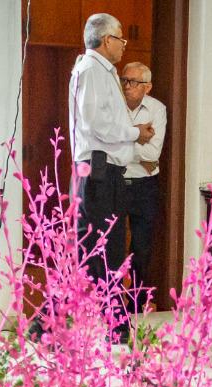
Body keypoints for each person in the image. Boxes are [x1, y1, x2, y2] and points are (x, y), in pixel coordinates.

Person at [69, 13, 154, 282]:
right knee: (97, 252)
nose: (124, 44)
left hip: (107, 172)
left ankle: (114, 323)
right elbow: (96, 124)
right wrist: (134, 133)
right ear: (107, 40)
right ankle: (47, 323)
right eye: (120, 38)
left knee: (109, 252)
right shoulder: (92, 70)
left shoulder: (103, 71)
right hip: (98, 172)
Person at [120, 61, 166, 302]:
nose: (127, 86)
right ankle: (113, 303)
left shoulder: (157, 109)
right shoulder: (114, 106)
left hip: (144, 185)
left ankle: (136, 303)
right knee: (113, 245)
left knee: (142, 247)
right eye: (124, 80)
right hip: (115, 181)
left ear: (147, 87)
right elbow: (109, 146)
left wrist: (124, 146)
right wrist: (137, 140)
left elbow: (153, 155)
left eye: (134, 82)